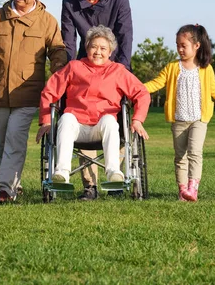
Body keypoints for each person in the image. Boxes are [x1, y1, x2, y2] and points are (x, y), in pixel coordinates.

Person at [0, 0, 67, 204]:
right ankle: (13, 182)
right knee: (2, 144)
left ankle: (5, 190)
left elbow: (57, 48)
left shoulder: (46, 22)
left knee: (15, 141)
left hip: (27, 94)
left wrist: (58, 68)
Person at [37, 25, 150, 188]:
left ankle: (113, 172)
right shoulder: (74, 67)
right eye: (93, 47)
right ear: (86, 48)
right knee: (66, 118)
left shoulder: (118, 70)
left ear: (110, 51)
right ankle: (61, 173)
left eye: (103, 48)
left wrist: (137, 119)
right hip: (77, 125)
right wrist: (46, 121)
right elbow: (50, 91)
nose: (98, 52)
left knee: (110, 121)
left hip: (102, 127)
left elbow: (142, 93)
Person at [60, 0, 133, 200]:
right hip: (84, 68)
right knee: (80, 113)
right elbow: (69, 43)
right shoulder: (70, 4)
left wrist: (119, 71)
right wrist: (70, 74)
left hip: (114, 68)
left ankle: (115, 177)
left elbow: (125, 38)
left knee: (116, 120)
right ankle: (89, 185)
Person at [145, 24, 215, 202]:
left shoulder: (205, 69)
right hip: (178, 120)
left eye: (183, 45)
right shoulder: (172, 68)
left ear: (196, 46)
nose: (180, 49)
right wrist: (135, 89)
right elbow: (156, 83)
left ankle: (193, 189)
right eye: (177, 45)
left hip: (198, 120)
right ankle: (182, 191)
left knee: (195, 152)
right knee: (180, 157)